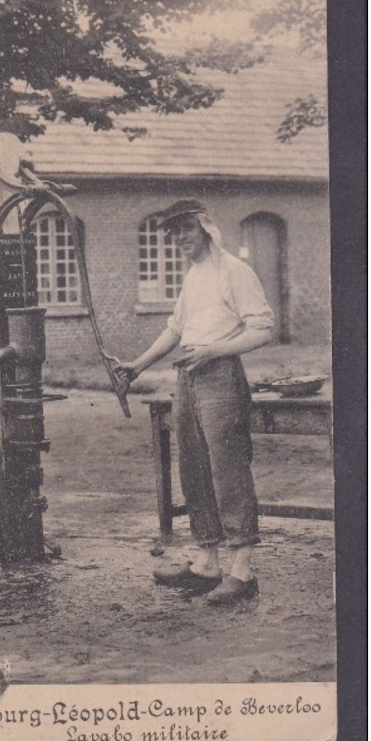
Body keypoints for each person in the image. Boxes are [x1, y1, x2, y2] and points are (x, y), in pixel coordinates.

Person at [116, 199, 274, 605]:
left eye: (186, 228)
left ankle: (243, 571)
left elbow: (263, 328)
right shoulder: (194, 275)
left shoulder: (235, 272)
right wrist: (136, 366)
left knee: (228, 469)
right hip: (188, 377)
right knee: (194, 467)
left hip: (220, 377)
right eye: (174, 232)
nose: (180, 238)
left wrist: (215, 352)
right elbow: (175, 329)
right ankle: (207, 563)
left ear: (205, 227)